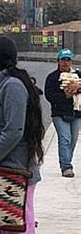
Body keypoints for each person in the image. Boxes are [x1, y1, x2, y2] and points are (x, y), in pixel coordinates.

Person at [0, 36, 44, 234]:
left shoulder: (12, 86)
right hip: (1, 173)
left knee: (16, 228)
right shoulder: (5, 84)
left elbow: (14, 132)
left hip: (15, 174)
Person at [44, 48, 80, 178]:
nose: (65, 63)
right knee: (65, 139)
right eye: (63, 60)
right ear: (58, 61)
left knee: (73, 140)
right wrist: (65, 95)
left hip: (76, 113)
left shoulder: (78, 75)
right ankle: (66, 166)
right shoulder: (52, 78)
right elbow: (49, 95)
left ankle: (66, 160)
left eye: (68, 60)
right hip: (59, 113)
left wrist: (78, 87)